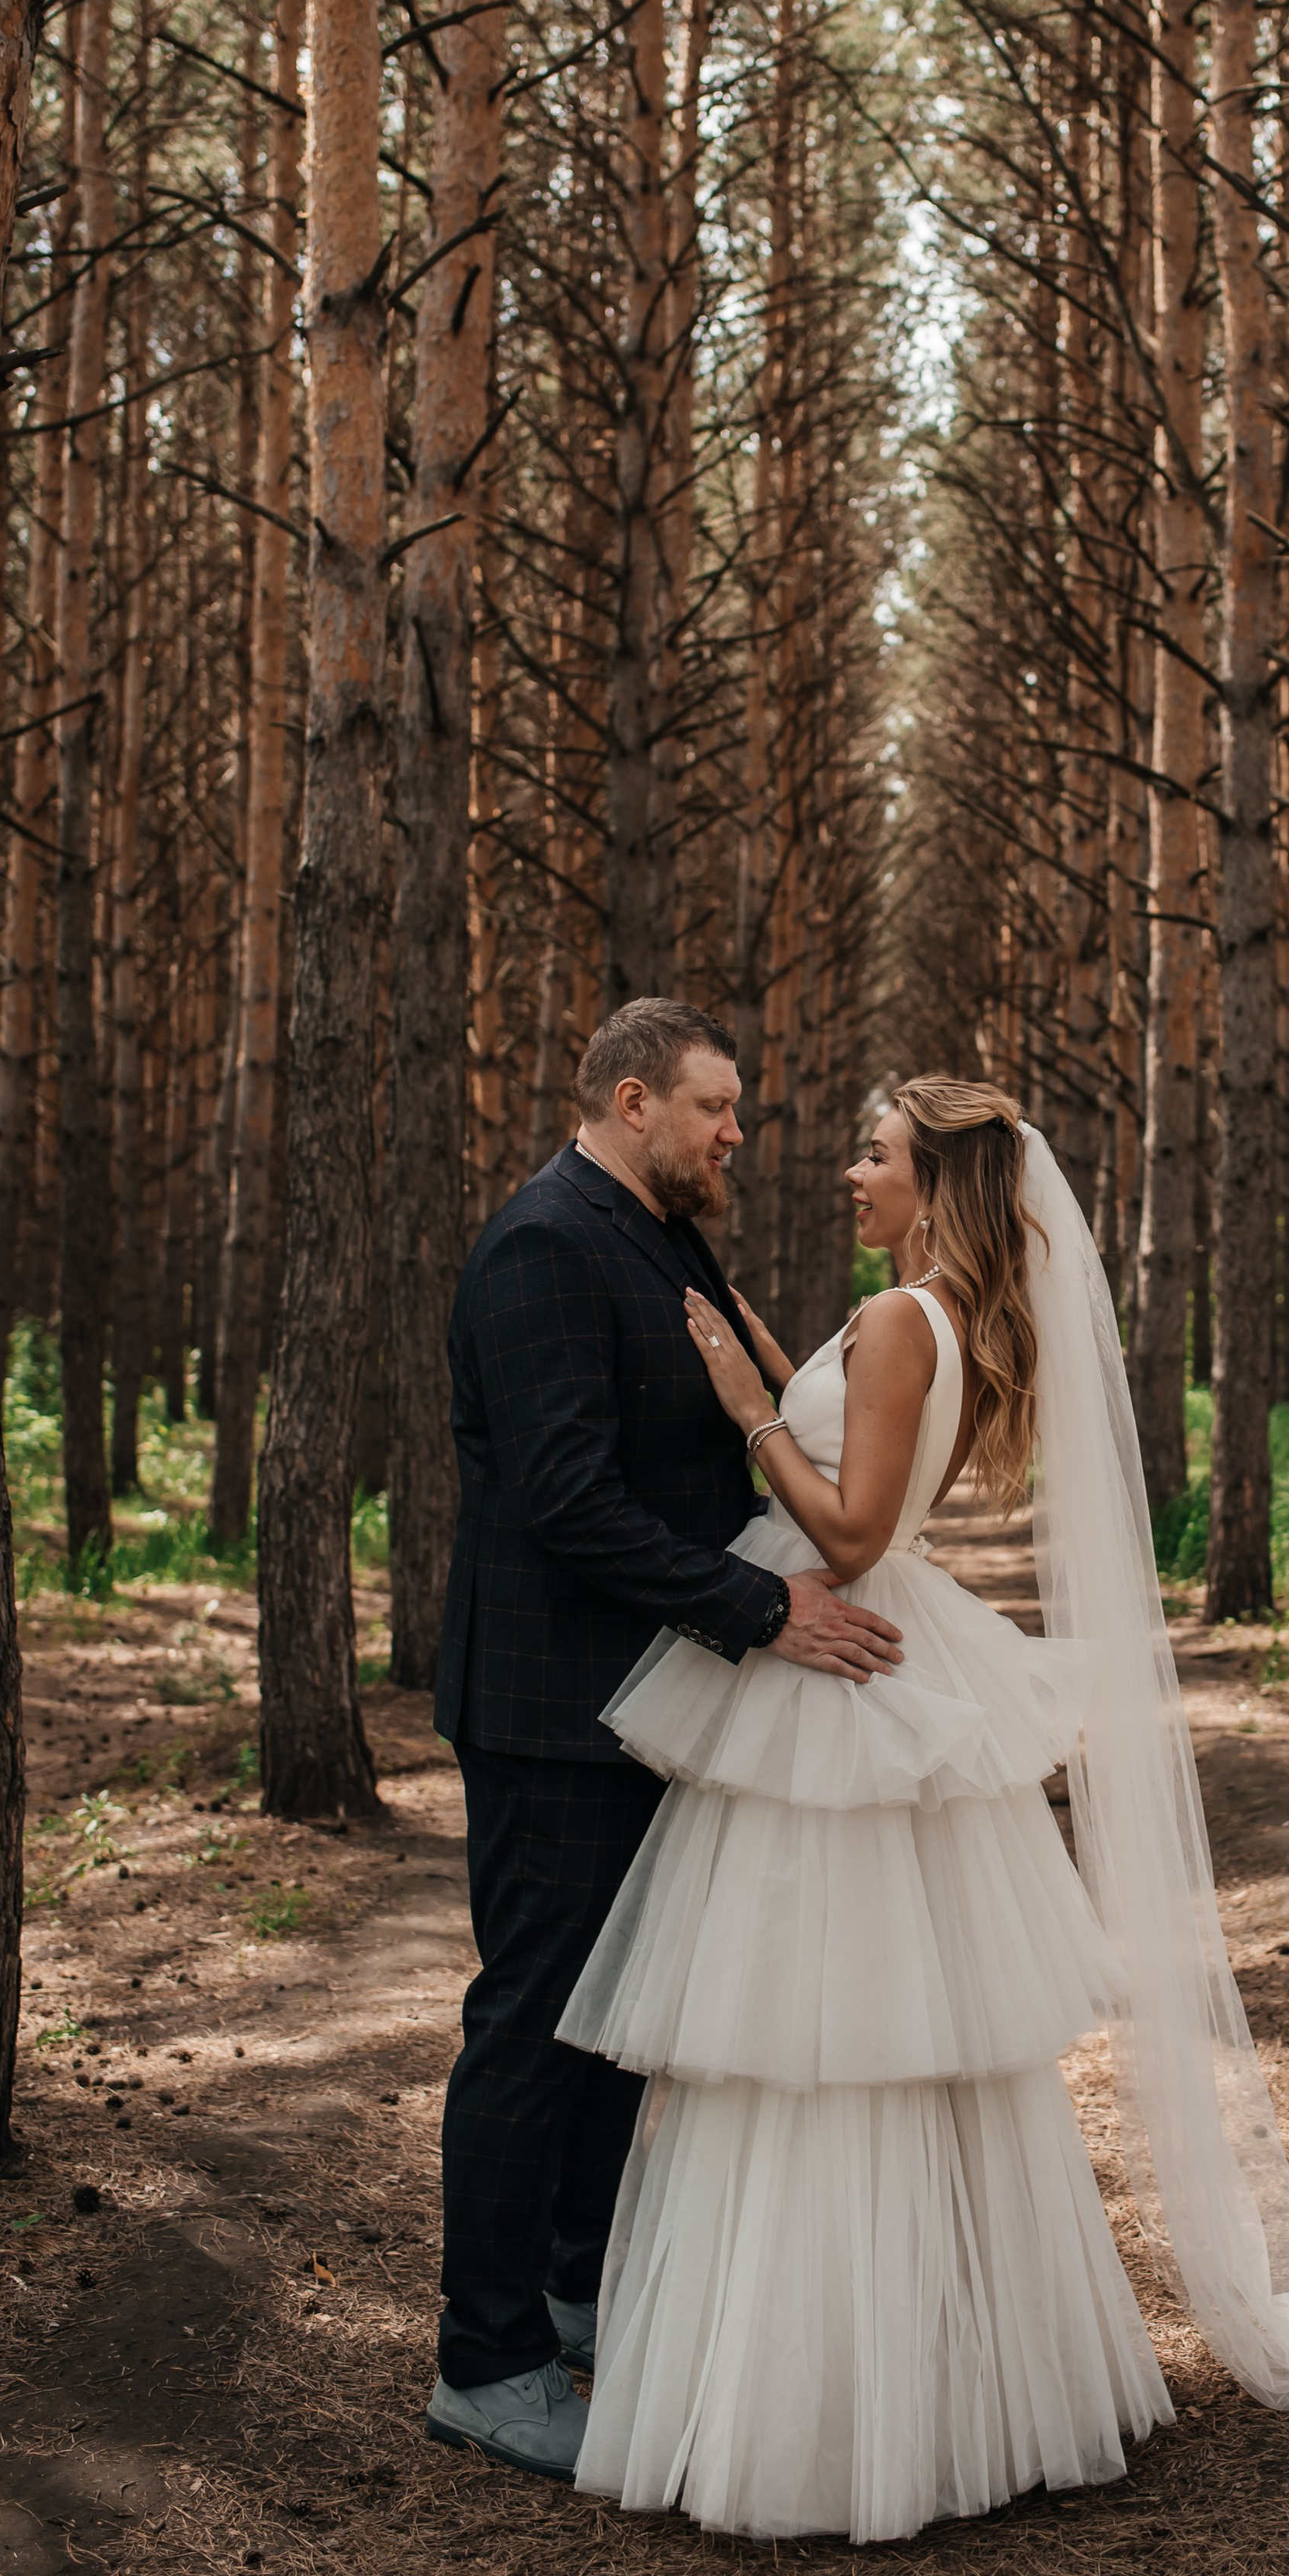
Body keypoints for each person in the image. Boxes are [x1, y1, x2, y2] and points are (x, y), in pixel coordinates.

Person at [559, 1077, 1289, 2542]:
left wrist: (757, 1409)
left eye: (875, 1154)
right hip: (868, 1667)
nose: (849, 1170)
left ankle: (822, 2409)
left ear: (940, 1186)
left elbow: (856, 1529)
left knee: (822, 2032)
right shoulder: (930, 1315)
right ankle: (959, 2381)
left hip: (843, 1668)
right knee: (898, 2039)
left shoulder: (905, 1319)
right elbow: (870, 1443)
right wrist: (776, 1354)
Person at [424, 998, 894, 2479]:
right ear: (634, 1103)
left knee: (617, 2030)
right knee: (532, 2025)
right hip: (554, 1710)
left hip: (654, 1702)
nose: (737, 1135)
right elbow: (567, 1501)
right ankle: (484, 2364)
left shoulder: (663, 1232)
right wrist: (760, 1609)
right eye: (716, 1109)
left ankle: (573, 2302)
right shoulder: (545, 1247)